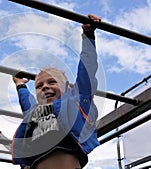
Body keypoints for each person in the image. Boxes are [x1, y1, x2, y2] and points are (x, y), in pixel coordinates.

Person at [11, 14, 101, 169]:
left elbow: (87, 71)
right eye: (39, 86)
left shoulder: (73, 102)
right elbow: (27, 101)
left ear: (67, 88)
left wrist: (88, 36)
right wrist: (20, 85)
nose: (45, 87)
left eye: (52, 82)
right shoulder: (34, 112)